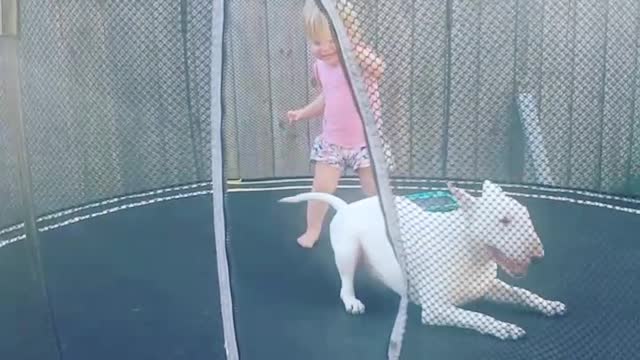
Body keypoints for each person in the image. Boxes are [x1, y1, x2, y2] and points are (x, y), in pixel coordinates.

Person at [286, 0, 385, 248]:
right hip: (332, 143)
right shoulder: (320, 67)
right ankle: (313, 228)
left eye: (333, 41)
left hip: (366, 144)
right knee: (321, 189)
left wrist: (351, 46)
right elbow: (327, 98)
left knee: (376, 191)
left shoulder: (360, 61)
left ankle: (385, 229)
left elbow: (380, 68)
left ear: (349, 37)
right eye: (318, 42)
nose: (325, 49)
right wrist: (303, 113)